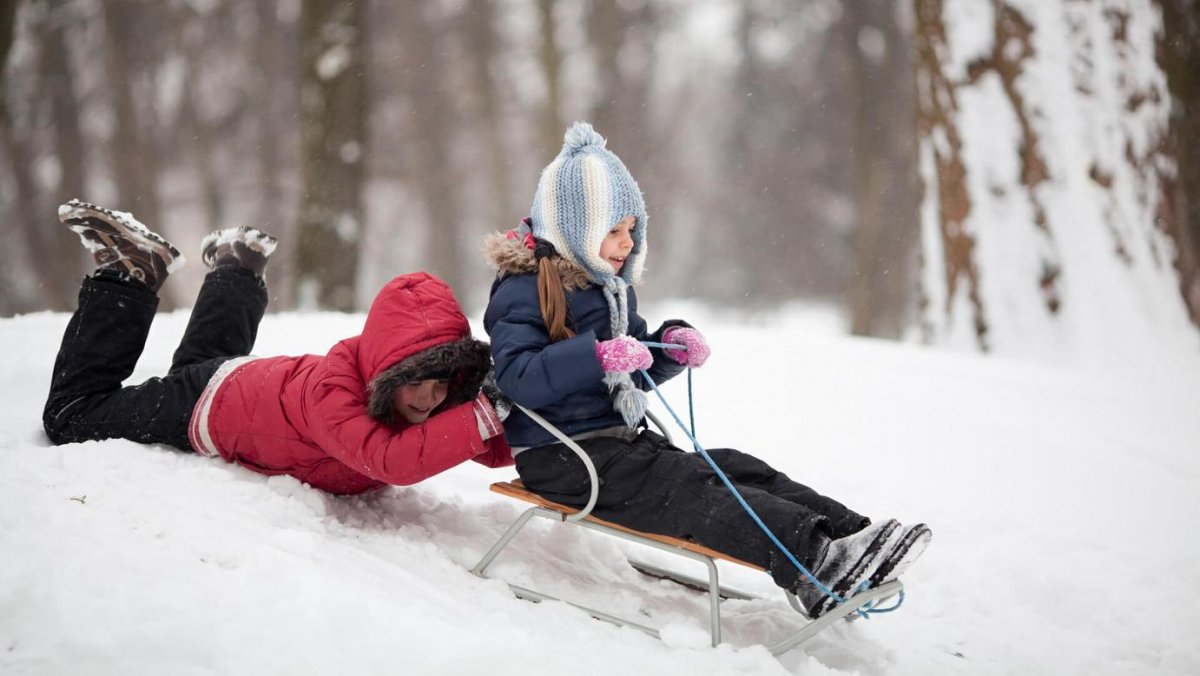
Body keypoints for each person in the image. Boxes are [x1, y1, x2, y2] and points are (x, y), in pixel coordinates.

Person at [482, 123, 931, 618]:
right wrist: (598, 355)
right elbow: (519, 376)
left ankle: (852, 536)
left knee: (737, 466)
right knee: (692, 490)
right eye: (613, 230)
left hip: (619, 447)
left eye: (632, 229)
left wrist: (668, 349)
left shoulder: (608, 289)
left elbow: (633, 365)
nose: (627, 242)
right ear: (573, 228)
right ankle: (816, 559)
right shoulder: (522, 290)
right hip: (564, 460)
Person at [44, 199, 512, 495]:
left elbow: (487, 446)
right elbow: (390, 461)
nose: (430, 398)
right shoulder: (335, 397)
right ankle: (129, 273)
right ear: (386, 369)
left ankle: (237, 269)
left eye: (438, 384)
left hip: (234, 383)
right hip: (205, 407)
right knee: (71, 415)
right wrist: (486, 413)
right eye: (415, 382)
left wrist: (541, 418)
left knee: (196, 367)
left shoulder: (412, 394)